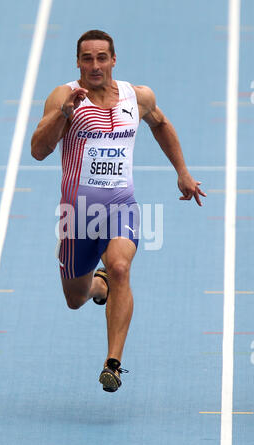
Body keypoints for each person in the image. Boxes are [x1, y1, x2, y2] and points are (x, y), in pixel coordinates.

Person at [31, 30, 206, 393]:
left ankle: (113, 363)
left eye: (101, 57)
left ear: (113, 60)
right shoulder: (64, 97)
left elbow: (160, 124)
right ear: (78, 62)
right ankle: (99, 286)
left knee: (122, 266)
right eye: (87, 58)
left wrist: (183, 172)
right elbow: (38, 149)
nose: (95, 65)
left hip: (120, 207)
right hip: (77, 217)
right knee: (75, 299)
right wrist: (64, 115)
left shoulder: (137, 96)